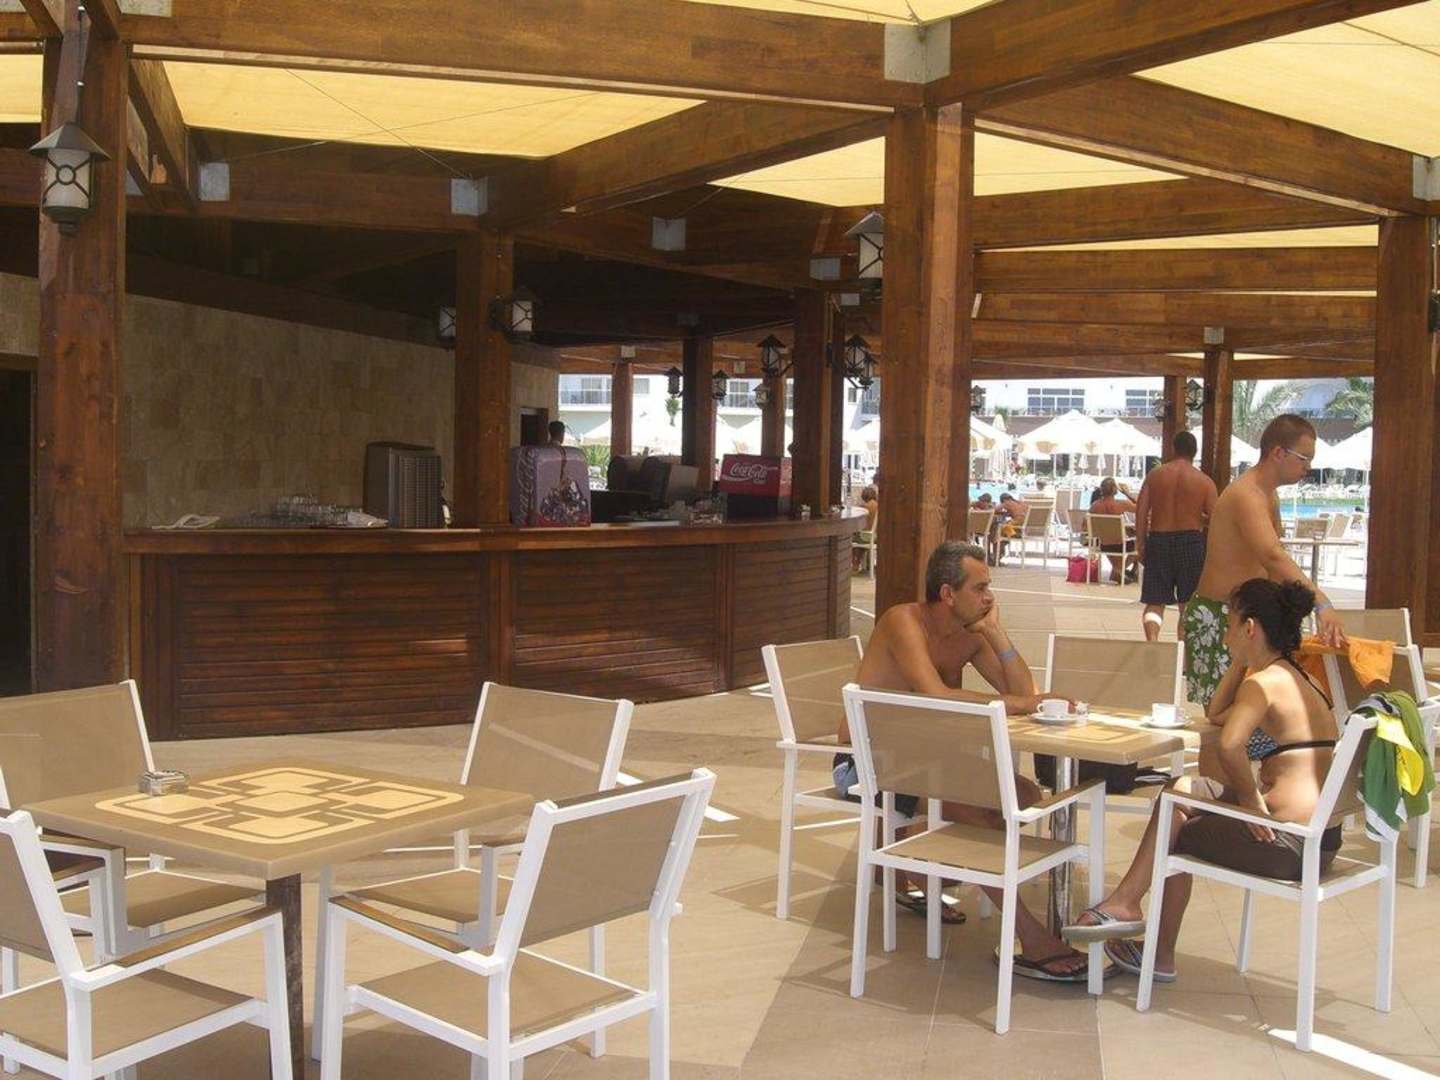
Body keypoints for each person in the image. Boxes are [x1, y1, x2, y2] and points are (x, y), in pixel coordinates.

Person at [833, 541, 1093, 983]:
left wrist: (997, 634)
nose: (990, 596)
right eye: (981, 588)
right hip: (868, 764)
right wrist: (1020, 704)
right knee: (979, 815)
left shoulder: (969, 635)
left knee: (1024, 794)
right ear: (948, 594)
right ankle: (1031, 937)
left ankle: (915, 852)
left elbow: (1024, 691)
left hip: (929, 759)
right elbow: (935, 695)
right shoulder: (903, 621)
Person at [1061, 579, 1341, 981]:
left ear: (1250, 627)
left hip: (1287, 843)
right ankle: (1128, 907)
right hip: (1321, 838)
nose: (1225, 636)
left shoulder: (1264, 684)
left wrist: (1251, 802)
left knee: (1173, 830)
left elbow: (1230, 744)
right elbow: (1216, 712)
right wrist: (1242, 660)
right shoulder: (1300, 678)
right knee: (1179, 789)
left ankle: (1148, 937)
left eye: (1229, 625)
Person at [1184, 415, 1346, 759]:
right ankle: (1224, 790)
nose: (1308, 468)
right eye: (1304, 458)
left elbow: (1272, 563)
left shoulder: (1267, 495)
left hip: (1249, 616)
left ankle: (1242, 786)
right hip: (1222, 618)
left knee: (1252, 713)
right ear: (1278, 453)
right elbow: (1272, 556)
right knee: (1223, 724)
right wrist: (1320, 602)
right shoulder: (1247, 494)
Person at [1134, 431, 1217, 641]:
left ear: (1173, 449)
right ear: (1195, 452)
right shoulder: (1205, 482)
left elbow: (1141, 512)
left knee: (1155, 601)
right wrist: (1200, 520)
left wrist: (1140, 543)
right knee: (1187, 604)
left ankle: (1153, 642)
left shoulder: (1155, 476)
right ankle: (1182, 650)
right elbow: (1216, 519)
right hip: (1191, 542)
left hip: (1159, 539)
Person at [1089, 478, 1138, 583]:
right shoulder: (1121, 504)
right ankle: (1118, 571)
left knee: (1116, 543)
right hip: (1120, 545)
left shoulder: (1094, 506)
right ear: (1115, 489)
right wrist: (1127, 494)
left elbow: (1086, 525)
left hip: (1103, 545)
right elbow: (1141, 508)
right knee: (1141, 544)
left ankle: (1117, 571)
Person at [853, 485, 880, 572]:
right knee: (861, 538)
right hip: (877, 536)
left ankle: (855, 564)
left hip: (867, 537)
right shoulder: (879, 506)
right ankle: (867, 564)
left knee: (852, 539)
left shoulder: (864, 507)